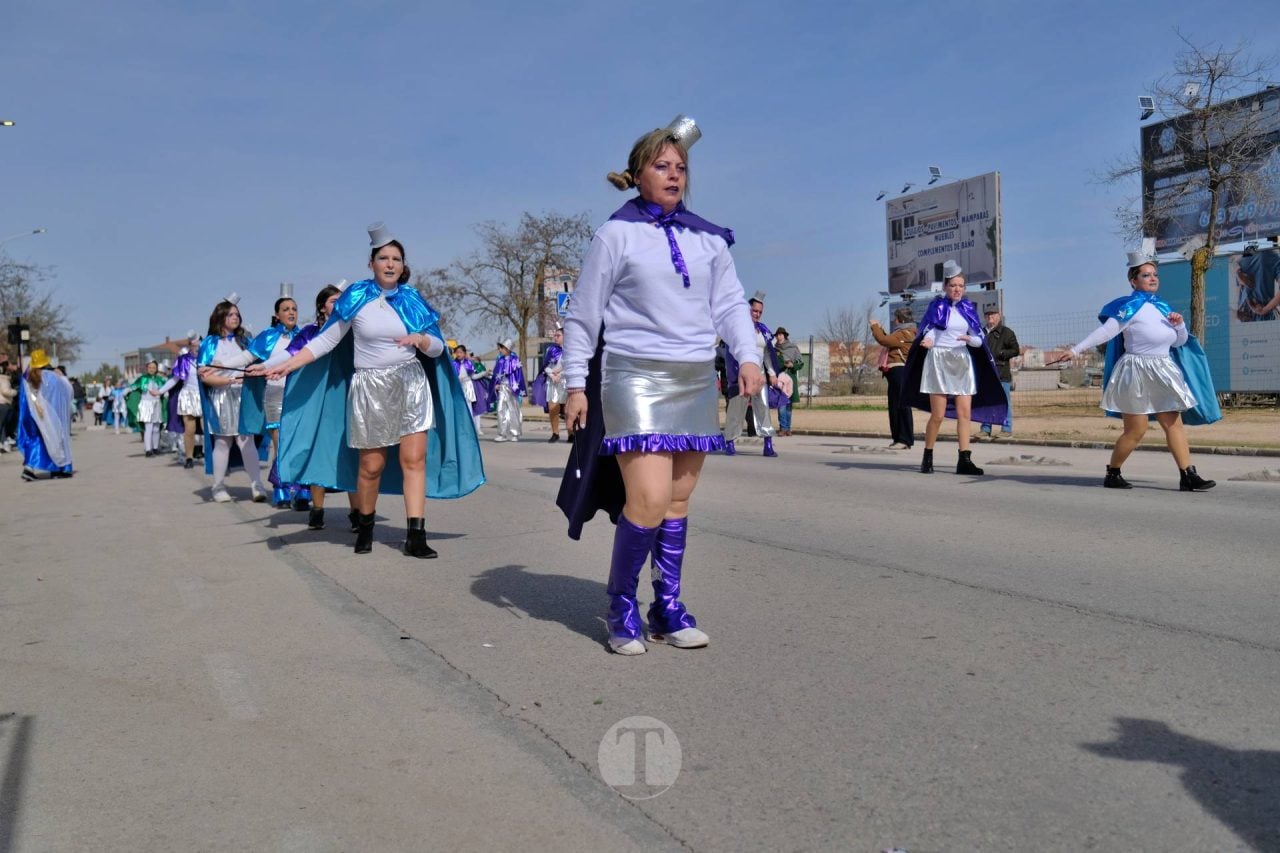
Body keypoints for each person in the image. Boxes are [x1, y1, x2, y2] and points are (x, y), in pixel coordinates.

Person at [558, 114, 764, 655]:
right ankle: (620, 605)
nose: (674, 174)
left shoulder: (710, 240)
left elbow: (730, 305)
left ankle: (666, 606)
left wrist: (747, 354)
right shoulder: (616, 235)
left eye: (681, 167)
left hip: (695, 377)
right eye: (661, 165)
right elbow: (584, 314)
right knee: (646, 498)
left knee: (677, 499)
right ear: (638, 174)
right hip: (634, 375)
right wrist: (576, 384)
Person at [262, 223, 484, 558]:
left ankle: (416, 535)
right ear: (372, 264)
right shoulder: (356, 297)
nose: (391, 263)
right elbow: (325, 341)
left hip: (411, 383)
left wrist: (422, 340)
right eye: (384, 258)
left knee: (414, 459)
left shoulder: (411, 299)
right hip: (370, 388)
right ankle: (365, 526)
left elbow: (439, 348)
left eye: (396, 258)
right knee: (371, 466)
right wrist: (287, 365)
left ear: (402, 265)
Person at [1063, 251, 1220, 490]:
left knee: (1173, 423)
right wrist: (1075, 351)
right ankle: (1113, 473)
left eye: (1155, 274)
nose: (1153, 278)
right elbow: (1106, 332)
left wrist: (1179, 326)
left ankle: (1188, 475)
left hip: (1163, 369)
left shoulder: (1163, 308)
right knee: (1137, 430)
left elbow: (1179, 342)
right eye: (1146, 275)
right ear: (1133, 281)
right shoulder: (1129, 307)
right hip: (1136, 371)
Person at [903, 260, 1006, 475]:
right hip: (939, 361)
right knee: (938, 415)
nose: (957, 289)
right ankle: (928, 454)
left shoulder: (968, 308)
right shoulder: (937, 306)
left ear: (964, 288)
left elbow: (979, 340)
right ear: (945, 287)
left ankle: (964, 460)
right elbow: (930, 329)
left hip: (961, 361)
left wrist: (969, 339)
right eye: (953, 286)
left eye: (960, 286)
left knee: (964, 414)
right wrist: (929, 340)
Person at [281, 282, 356, 531]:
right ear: (322, 307)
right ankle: (318, 509)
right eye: (334, 300)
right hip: (319, 400)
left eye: (341, 300)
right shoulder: (310, 332)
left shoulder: (353, 328)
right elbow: (291, 355)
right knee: (319, 452)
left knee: (352, 453)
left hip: (349, 396)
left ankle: (358, 512)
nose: (339, 304)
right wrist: (265, 366)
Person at [198, 294, 268, 503]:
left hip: (244, 396)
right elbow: (205, 375)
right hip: (221, 397)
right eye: (230, 314)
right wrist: (228, 381)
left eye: (237, 314)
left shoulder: (245, 340)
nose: (235, 318)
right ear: (220, 317)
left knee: (247, 439)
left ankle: (257, 484)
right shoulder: (209, 343)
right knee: (223, 441)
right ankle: (218, 486)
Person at [246, 287, 309, 509]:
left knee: (300, 443)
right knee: (280, 444)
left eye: (294, 309)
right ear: (277, 314)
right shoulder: (267, 337)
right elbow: (247, 357)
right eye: (286, 309)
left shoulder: (306, 335)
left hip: (299, 395)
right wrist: (215, 369)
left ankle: (301, 491)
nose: (291, 312)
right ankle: (281, 488)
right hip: (274, 395)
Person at [722, 290, 780, 457]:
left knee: (763, 407)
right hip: (741, 374)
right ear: (747, 309)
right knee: (737, 409)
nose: (757, 314)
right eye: (755, 311)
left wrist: (771, 373)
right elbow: (730, 353)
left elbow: (768, 354)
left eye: (760, 312)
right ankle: (730, 441)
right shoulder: (737, 329)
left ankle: (768, 443)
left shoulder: (763, 331)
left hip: (760, 376)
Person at [16, 349, 74, 481]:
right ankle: (62, 467)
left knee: (35, 441)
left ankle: (30, 468)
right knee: (56, 440)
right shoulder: (52, 377)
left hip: (31, 416)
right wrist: (63, 377)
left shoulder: (26, 377)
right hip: (49, 416)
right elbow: (67, 393)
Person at [869, 306, 917, 449]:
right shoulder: (905, 333)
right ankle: (899, 438)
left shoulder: (904, 334)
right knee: (895, 405)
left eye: (896, 318)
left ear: (900, 319)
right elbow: (889, 340)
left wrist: (875, 326)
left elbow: (883, 340)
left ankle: (904, 439)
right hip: (897, 372)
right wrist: (880, 329)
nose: (894, 321)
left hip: (898, 371)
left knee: (900, 405)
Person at [155, 333, 203, 468]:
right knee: (190, 429)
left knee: (207, 428)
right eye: (194, 345)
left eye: (199, 345)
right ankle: (189, 458)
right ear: (190, 345)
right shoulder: (184, 360)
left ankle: (208, 456)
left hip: (204, 395)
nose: (196, 347)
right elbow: (174, 379)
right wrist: (160, 391)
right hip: (188, 395)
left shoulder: (208, 358)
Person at [979, 306, 1020, 440]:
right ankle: (985, 429)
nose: (990, 317)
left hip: (1001, 373)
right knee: (986, 402)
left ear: (999, 315)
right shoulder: (981, 332)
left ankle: (1006, 429)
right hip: (985, 375)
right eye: (988, 314)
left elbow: (1015, 350)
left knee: (1004, 402)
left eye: (993, 314)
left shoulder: (1007, 333)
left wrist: (1001, 354)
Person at [531, 326, 568, 442]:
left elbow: (571, 367)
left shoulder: (571, 350)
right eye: (555, 335)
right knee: (553, 409)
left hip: (566, 382)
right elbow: (545, 366)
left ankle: (571, 433)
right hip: (552, 382)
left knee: (567, 410)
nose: (555, 338)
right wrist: (552, 375)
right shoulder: (551, 350)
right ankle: (555, 433)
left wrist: (560, 375)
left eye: (558, 335)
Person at [131, 360, 168, 457]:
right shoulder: (142, 378)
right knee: (149, 427)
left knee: (156, 428)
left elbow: (166, 387)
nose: (152, 369)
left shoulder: (160, 379)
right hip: (146, 404)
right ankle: (148, 449)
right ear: (147, 368)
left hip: (157, 404)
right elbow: (133, 386)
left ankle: (155, 448)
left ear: (156, 369)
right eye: (150, 367)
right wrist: (127, 390)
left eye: (154, 368)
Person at [491, 338, 525, 442]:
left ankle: (515, 433)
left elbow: (519, 375)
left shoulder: (515, 360)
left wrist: (516, 387)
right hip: (502, 387)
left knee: (513, 410)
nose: (500, 350)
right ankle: (502, 433)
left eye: (502, 347)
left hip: (512, 388)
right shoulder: (500, 360)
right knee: (500, 409)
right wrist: (496, 384)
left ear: (507, 348)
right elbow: (496, 374)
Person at [772, 327, 803, 436]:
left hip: (791, 378)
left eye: (781, 335)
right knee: (781, 404)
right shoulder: (774, 350)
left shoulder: (793, 348)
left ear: (785, 336)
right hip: (780, 379)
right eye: (777, 335)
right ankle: (783, 428)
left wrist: (792, 365)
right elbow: (771, 364)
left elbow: (801, 363)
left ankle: (788, 428)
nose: (779, 337)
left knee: (789, 405)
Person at [452, 344, 488, 437]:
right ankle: (460, 429)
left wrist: (484, 373)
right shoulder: (453, 363)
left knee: (469, 408)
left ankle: (470, 429)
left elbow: (473, 376)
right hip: (457, 387)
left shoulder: (469, 364)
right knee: (458, 407)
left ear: (464, 353)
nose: (458, 354)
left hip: (467, 386)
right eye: (457, 352)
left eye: (460, 352)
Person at [0, 352, 15, 453]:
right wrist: (15, 392)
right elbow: (6, 391)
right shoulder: (4, 379)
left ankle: (3, 442)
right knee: (2, 424)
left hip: (3, 403)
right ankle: (4, 442)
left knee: (2, 425)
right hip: (4, 403)